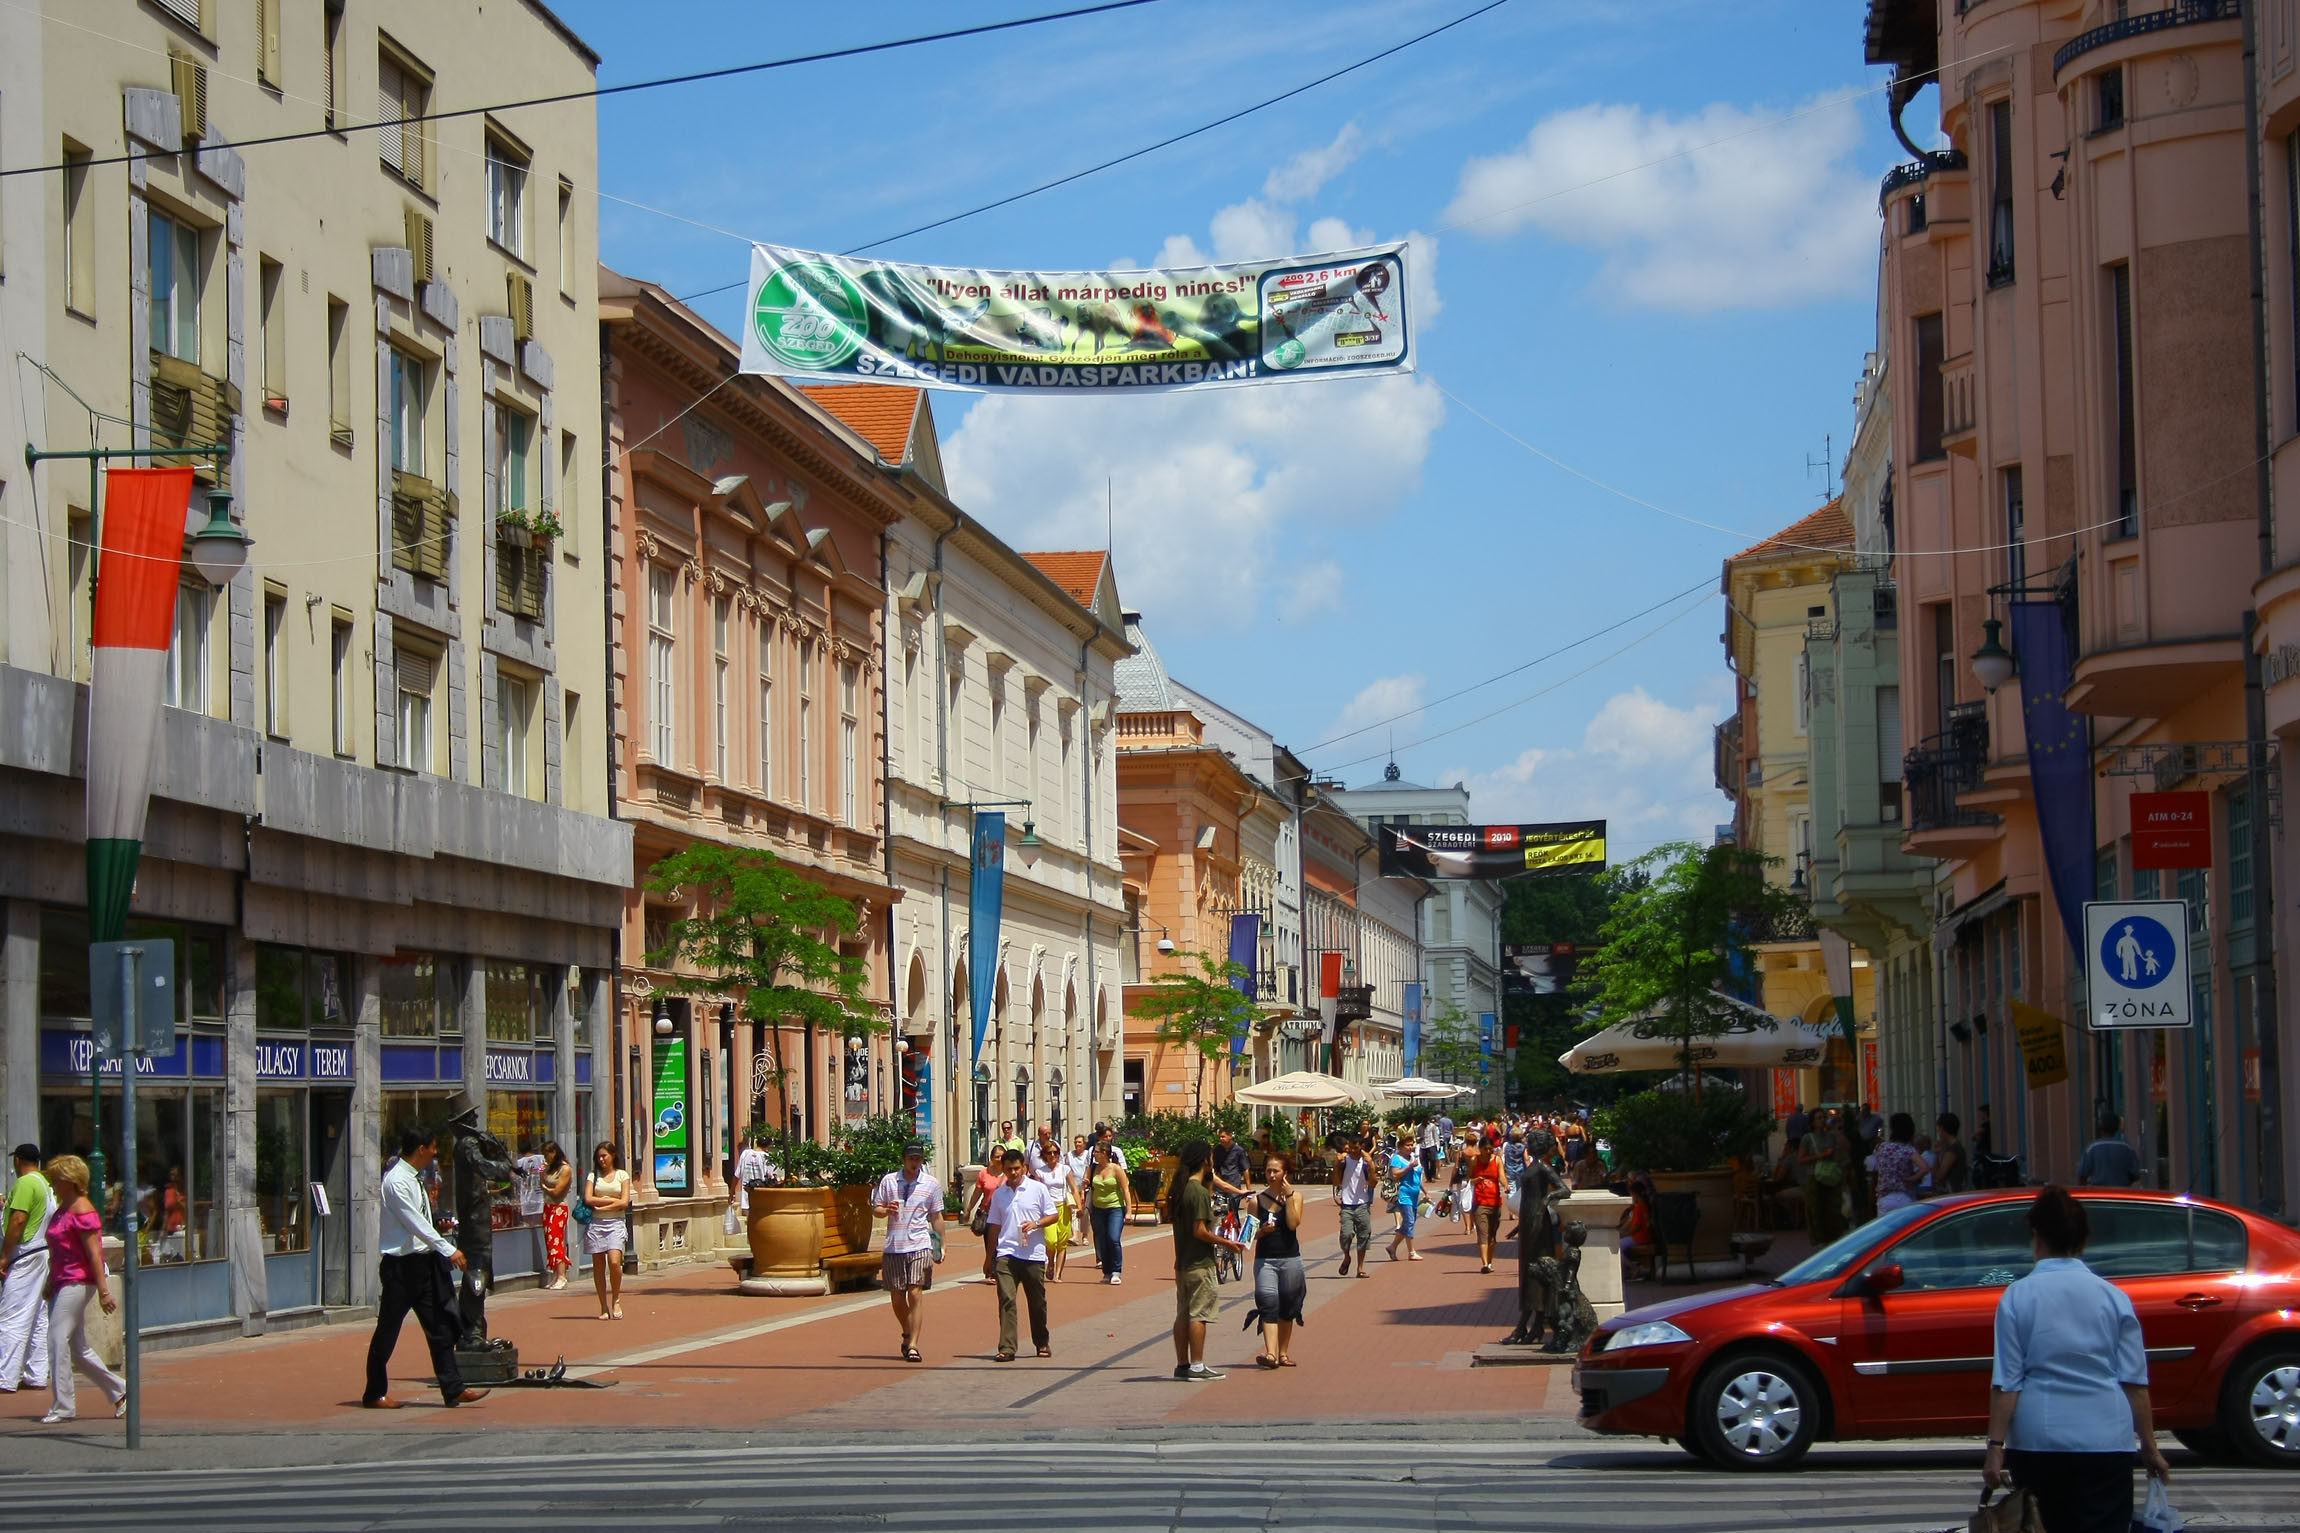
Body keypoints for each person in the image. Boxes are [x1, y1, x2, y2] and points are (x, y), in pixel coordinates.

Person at [1984, 1186, 2170, 1532]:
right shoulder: (2114, 1298)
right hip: (2106, 1441)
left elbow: (2007, 1383)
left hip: (2038, 1441)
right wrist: (2149, 1446)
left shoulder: (2017, 1297)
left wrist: (1995, 1447)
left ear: (2036, 1235)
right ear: (2083, 1241)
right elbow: (2134, 1383)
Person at [362, 1130, 484, 1411]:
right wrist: (448, 1249)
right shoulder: (395, 1182)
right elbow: (414, 1223)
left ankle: (453, 1389)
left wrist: (439, 1238)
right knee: (388, 1330)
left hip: (424, 1264)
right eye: (433, 1147)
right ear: (420, 1149)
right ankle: (374, 1392)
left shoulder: (414, 1178)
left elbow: (423, 1223)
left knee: (440, 1327)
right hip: (400, 1269)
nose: (436, 1152)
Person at [35, 1155, 123, 1424]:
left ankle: (64, 1405)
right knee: (78, 1349)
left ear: (71, 1182)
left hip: (77, 1282)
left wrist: (104, 1290)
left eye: (56, 1179)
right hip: (64, 1280)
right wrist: (51, 1280)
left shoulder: (82, 1209)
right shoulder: (64, 1207)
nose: (53, 1184)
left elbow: (95, 1254)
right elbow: (58, 1250)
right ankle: (120, 1389)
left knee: (56, 1338)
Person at [1171, 1140, 1246, 1381]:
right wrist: (1227, 1243)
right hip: (1200, 1263)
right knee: (1198, 1314)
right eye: (1211, 1158)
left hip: (1182, 1263)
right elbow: (1200, 1231)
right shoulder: (1199, 1192)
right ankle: (1197, 1365)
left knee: (1183, 1314)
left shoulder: (1182, 1188)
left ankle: (1182, 1364)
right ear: (1205, 1160)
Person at [873, 1139, 943, 1363]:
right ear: (903, 1159)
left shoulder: (931, 1184)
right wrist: (886, 1210)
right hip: (895, 1245)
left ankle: (913, 1344)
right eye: (911, 1158)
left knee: (915, 1292)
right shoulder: (889, 1181)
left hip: (920, 1244)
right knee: (896, 1297)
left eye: (918, 1158)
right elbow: (876, 1209)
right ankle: (907, 1330)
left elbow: (936, 1216)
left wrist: (941, 1245)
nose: (915, 1163)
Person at [986, 1147, 1056, 1361]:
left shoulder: (1037, 1189)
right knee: (1007, 1299)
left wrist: (1036, 1224)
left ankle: (1041, 1341)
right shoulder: (999, 1194)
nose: (1014, 1173)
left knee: (1037, 1302)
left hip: (1033, 1254)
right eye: (1009, 1170)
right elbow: (994, 1227)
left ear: (1024, 1168)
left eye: (1017, 1169)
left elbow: (1052, 1215)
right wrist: (989, 1257)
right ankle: (1007, 1347)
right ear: (1003, 1170)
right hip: (1007, 1253)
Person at [0, 1144, 53, 1394]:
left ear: (18, 1160)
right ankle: (36, 1373)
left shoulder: (24, 1183)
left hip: (25, 1254)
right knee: (38, 1317)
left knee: (11, 1316)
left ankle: (5, 1378)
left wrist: (4, 1255)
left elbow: (19, 1220)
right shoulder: (45, 1185)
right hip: (43, 1252)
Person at [1248, 1156, 1306, 1369]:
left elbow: (1292, 1223)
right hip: (1265, 1260)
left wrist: (1289, 1195)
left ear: (1285, 1174)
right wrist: (1261, 1231)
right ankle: (1270, 1354)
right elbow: (1249, 1236)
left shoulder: (1296, 1196)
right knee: (1267, 1303)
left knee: (1288, 1306)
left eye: (1275, 1171)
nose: (1271, 1175)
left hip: (1290, 1258)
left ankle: (1283, 1353)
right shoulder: (1256, 1201)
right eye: (1268, 1171)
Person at [584, 1141, 632, 1321]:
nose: (601, 1159)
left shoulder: (622, 1175)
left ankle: (616, 1299)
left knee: (614, 1261)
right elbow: (589, 1199)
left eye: (604, 1155)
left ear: (612, 1155)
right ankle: (603, 1306)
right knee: (598, 1265)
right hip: (596, 1225)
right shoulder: (593, 1175)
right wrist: (611, 1201)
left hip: (615, 1224)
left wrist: (601, 1203)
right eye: (599, 1157)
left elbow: (624, 1202)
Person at [1027, 1125, 1078, 1280]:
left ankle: (1057, 1274)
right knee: (1050, 1240)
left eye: (1055, 1152)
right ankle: (1050, 1261)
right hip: (1048, 1209)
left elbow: (1074, 1188)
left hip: (1063, 1206)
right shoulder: (1040, 1172)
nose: (1053, 1155)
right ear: (1044, 1155)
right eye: (1049, 1153)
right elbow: (1037, 1193)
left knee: (1062, 1242)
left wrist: (1079, 1207)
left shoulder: (1065, 1169)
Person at [1086, 1141, 1133, 1283]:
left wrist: (1129, 1211)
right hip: (1098, 1208)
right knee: (1102, 1240)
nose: (1094, 1154)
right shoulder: (1093, 1168)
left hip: (1115, 1208)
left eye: (1097, 1152)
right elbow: (1086, 1182)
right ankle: (1106, 1272)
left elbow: (1125, 1189)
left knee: (1113, 1238)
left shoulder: (1116, 1169)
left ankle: (1116, 1271)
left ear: (1105, 1154)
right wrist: (1084, 1183)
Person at [1799, 1107, 1848, 1246]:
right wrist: (1819, 1156)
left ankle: (1833, 1237)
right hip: (1815, 1174)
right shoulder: (1808, 1138)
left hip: (1831, 1174)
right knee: (1815, 1208)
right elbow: (1801, 1159)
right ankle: (1819, 1239)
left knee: (1832, 1208)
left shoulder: (1831, 1136)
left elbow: (1844, 1148)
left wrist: (1835, 1129)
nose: (1821, 1120)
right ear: (1812, 1122)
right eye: (1818, 1118)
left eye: (1823, 1117)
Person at [1333, 1138, 1376, 1277]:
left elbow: (1373, 1184)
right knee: (1346, 1235)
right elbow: (1336, 1182)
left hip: (1363, 1203)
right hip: (1346, 1204)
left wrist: (1372, 1167)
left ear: (1361, 1146)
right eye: (1350, 1147)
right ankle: (1346, 1256)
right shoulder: (1344, 1162)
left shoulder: (1365, 1161)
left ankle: (1360, 1268)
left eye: (1355, 1147)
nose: (1351, 1150)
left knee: (1364, 1235)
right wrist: (1336, 1164)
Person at [1869, 1112, 1925, 1215]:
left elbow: (1874, 1171)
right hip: (1906, 1197)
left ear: (1892, 1130)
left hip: (1885, 1199)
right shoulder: (1908, 1150)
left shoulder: (1881, 1148)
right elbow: (1924, 1168)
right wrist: (1912, 1179)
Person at [1467, 1132, 1506, 1273]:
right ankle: (1484, 1263)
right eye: (1486, 1149)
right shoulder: (1474, 1161)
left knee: (1492, 1236)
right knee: (1483, 1233)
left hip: (1495, 1202)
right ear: (1480, 1149)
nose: (1488, 1152)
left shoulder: (1497, 1160)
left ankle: (1489, 1262)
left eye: (1491, 1149)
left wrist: (1506, 1186)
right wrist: (1475, 1180)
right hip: (1480, 1202)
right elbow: (1468, 1179)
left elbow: (1501, 1176)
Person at [2076, 1111, 2143, 1189]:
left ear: (2100, 1127)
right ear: (2117, 1128)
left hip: (2099, 1193)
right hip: (2121, 1193)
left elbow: (2082, 1175)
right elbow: (2136, 1173)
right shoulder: (2127, 1147)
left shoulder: (2092, 1148)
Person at [539, 1142, 574, 1291]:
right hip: (548, 1206)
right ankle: (555, 1275)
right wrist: (542, 1173)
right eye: (544, 1153)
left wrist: (545, 1187)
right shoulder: (549, 1168)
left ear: (555, 1152)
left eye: (548, 1153)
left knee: (557, 1240)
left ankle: (562, 1276)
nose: (547, 1156)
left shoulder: (565, 1169)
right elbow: (544, 1183)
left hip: (559, 1207)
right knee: (550, 1241)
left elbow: (557, 1191)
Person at [964, 1159, 1004, 1281]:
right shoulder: (984, 1173)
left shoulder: (1008, 1173)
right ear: (992, 1158)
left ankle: (1001, 1271)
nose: (1000, 1159)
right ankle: (991, 1271)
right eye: (997, 1156)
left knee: (1002, 1243)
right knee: (990, 1243)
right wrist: (969, 1209)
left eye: (1002, 1156)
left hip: (1005, 1214)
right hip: (988, 1213)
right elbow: (977, 1192)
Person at [1385, 1139, 1425, 1262]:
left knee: (1409, 1223)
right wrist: (1409, 1167)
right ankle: (1411, 1251)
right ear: (1401, 1147)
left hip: (1414, 1195)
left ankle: (1393, 1247)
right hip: (1404, 1194)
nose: (1410, 1147)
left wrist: (1425, 1191)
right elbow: (1396, 1174)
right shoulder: (1397, 1159)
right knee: (1409, 1221)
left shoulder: (1413, 1157)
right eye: (1407, 1145)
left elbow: (1418, 1176)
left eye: (1412, 1145)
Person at [1209, 1128, 1252, 1201]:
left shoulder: (1239, 1151)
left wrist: (1249, 1190)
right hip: (1220, 1187)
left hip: (1234, 1187)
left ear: (1230, 1136)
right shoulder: (1217, 1150)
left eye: (1223, 1137)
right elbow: (1213, 1167)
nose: (1221, 1139)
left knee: (1233, 1211)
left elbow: (1245, 1170)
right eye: (1220, 1137)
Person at [1933, 1112, 1969, 1195]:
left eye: (1938, 1130)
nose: (1939, 1133)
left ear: (1942, 1129)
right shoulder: (1954, 1147)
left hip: (1952, 1192)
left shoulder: (1953, 1149)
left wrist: (1936, 1154)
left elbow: (1939, 1175)